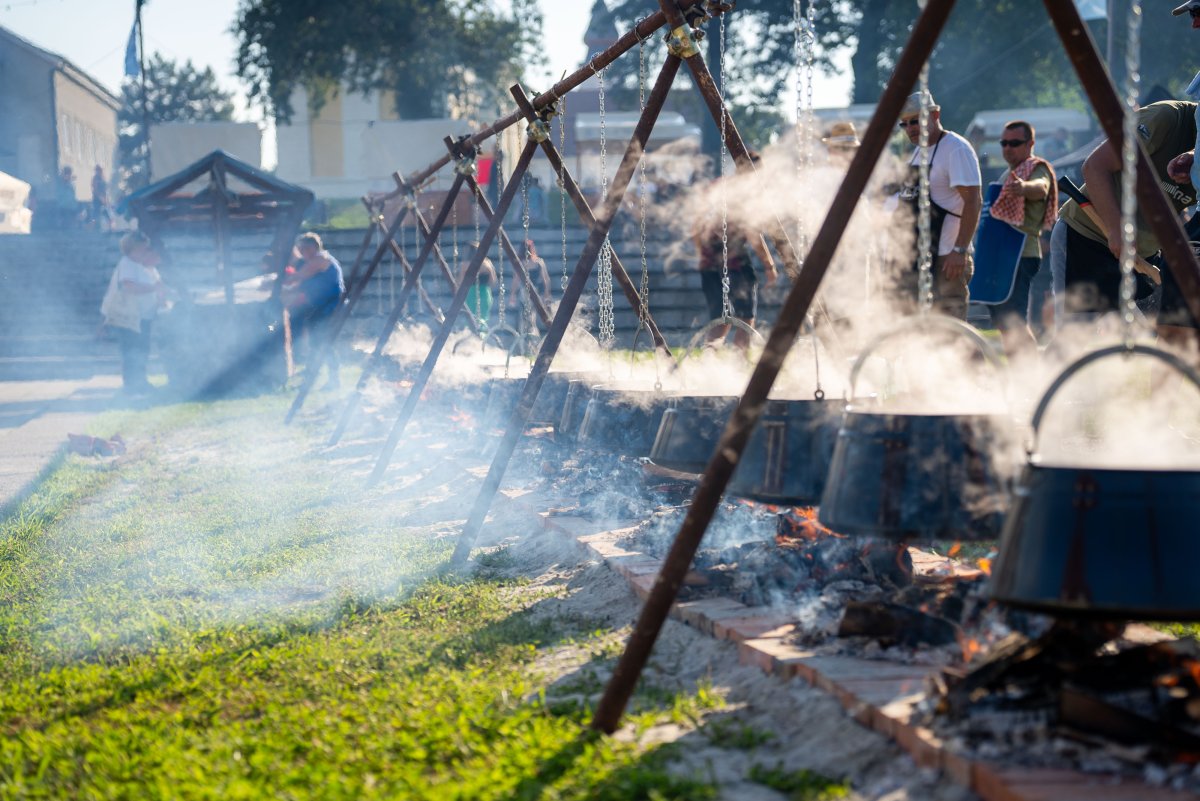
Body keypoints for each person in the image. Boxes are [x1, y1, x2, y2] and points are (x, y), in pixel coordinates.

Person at [1053, 99, 1197, 339]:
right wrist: (1117, 231)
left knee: (1149, 343)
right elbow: (1095, 167)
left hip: (1144, 259)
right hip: (1086, 239)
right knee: (1073, 340)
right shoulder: (1166, 118)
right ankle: (1046, 377)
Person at [894, 91, 982, 320]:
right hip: (919, 258)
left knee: (951, 332)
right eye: (906, 124)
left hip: (947, 259)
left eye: (916, 120)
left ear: (935, 114)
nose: (911, 128)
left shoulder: (955, 149)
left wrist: (959, 250)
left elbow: (973, 202)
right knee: (922, 334)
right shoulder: (917, 154)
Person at [692, 153, 779, 350]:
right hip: (736, 263)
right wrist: (769, 265)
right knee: (745, 317)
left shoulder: (716, 186)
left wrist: (703, 255)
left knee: (720, 319)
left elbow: (695, 226)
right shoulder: (746, 195)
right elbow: (753, 234)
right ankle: (738, 365)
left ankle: (710, 362)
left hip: (710, 263)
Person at [986, 120, 1056, 357]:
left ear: (1030, 144)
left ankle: (1030, 381)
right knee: (1004, 323)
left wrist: (1024, 187)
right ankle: (1019, 377)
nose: (1008, 148)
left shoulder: (1037, 168)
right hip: (1002, 255)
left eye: (1014, 143)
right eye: (1004, 143)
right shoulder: (1010, 173)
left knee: (1014, 322)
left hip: (1021, 253)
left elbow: (1041, 187)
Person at [104, 232, 168, 395]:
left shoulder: (141, 265)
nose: (145, 252)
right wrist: (154, 289)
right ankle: (132, 385)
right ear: (132, 249)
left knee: (141, 350)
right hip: (130, 317)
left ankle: (140, 381)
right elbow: (129, 287)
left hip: (142, 317)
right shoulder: (127, 264)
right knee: (132, 351)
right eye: (142, 249)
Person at [283, 232, 345, 389]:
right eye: (300, 249)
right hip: (322, 307)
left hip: (330, 307)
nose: (302, 252)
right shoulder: (314, 261)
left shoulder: (320, 260)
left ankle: (328, 380)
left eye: (304, 249)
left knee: (323, 343)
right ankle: (314, 378)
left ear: (313, 248)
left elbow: (298, 276)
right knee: (318, 343)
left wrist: (279, 282)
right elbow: (297, 283)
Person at [509, 239, 552, 334]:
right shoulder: (538, 262)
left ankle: (526, 334)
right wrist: (546, 293)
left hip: (524, 292)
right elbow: (546, 279)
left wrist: (512, 294)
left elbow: (515, 280)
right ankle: (531, 333)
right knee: (532, 315)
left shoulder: (520, 263)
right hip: (536, 291)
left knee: (525, 315)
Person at [460, 241, 497, 332]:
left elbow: (460, 281)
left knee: (471, 318)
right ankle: (482, 337)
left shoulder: (465, 265)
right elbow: (493, 281)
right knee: (483, 319)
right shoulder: (487, 263)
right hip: (485, 292)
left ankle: (472, 338)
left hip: (471, 293)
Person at [90, 166, 111, 231]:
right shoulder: (95, 178)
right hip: (97, 198)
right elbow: (95, 189)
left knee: (104, 212)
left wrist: (105, 199)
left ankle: (110, 227)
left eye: (100, 170)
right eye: (98, 170)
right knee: (96, 213)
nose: (99, 172)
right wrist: (100, 197)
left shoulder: (102, 178)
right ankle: (94, 227)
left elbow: (105, 189)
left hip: (102, 198)